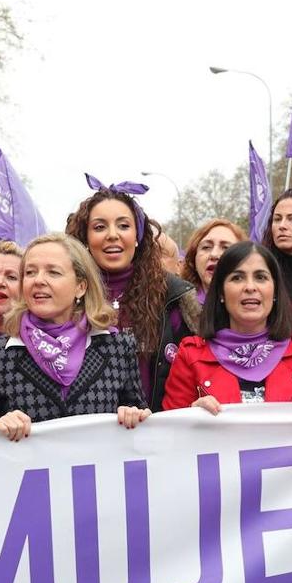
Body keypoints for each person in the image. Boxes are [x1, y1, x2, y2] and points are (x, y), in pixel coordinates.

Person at [0, 234, 149, 437]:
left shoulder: (117, 348)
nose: (39, 280)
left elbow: (141, 421)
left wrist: (133, 415)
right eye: (30, 272)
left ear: (80, 286)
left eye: (53, 272)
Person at [66, 175, 199, 411]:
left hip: (159, 433)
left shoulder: (172, 295)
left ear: (137, 237)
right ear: (85, 239)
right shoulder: (66, 295)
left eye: (123, 225)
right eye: (99, 227)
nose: (112, 234)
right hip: (88, 435)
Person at [164, 241, 292, 415]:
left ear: (274, 291)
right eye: (237, 278)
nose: (250, 287)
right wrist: (191, 415)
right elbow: (170, 431)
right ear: (221, 293)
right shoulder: (190, 355)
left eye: (261, 277)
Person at [181, 218, 245, 302]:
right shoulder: (177, 310)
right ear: (193, 260)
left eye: (225, 248)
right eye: (206, 247)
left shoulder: (255, 309)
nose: (214, 254)